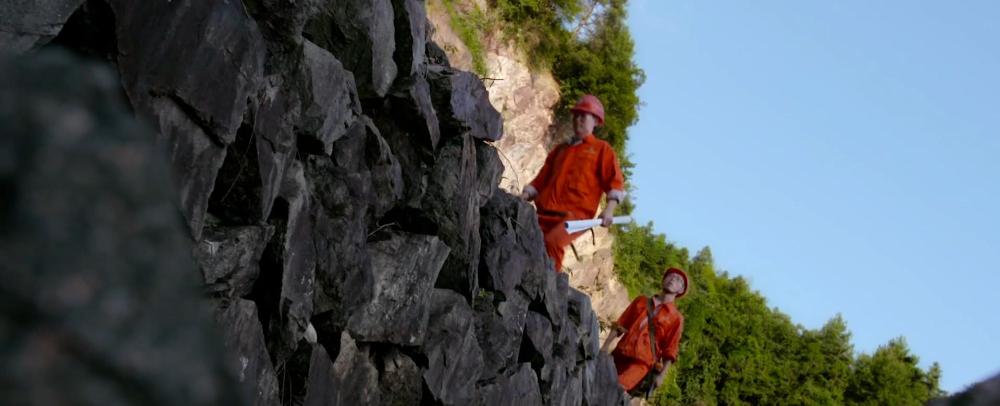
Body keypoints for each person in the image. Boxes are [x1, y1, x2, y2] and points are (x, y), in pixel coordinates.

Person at [520, 94, 626, 272]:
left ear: (595, 121)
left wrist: (609, 210)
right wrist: (524, 196)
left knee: (553, 242)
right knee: (528, 243)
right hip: (545, 213)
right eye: (576, 115)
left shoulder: (602, 150)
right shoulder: (560, 150)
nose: (578, 120)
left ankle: (550, 285)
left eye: (584, 116)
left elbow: (614, 184)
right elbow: (541, 179)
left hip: (576, 217)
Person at [601, 267, 687, 397]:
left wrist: (661, 376)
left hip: (641, 362)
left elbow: (670, 351)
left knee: (617, 388)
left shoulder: (676, 318)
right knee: (599, 383)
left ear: (681, 290)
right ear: (663, 280)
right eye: (670, 276)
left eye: (678, 280)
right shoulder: (641, 301)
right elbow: (620, 324)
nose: (673, 279)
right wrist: (605, 347)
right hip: (619, 353)